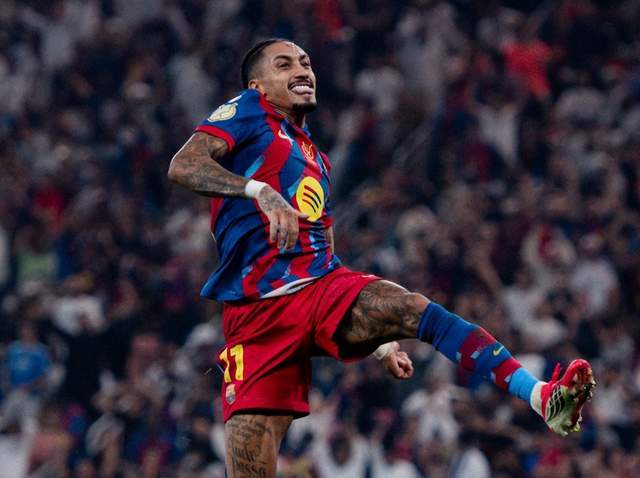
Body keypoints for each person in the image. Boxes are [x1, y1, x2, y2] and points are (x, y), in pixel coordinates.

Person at [168, 38, 596, 477]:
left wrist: (380, 343)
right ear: (257, 85)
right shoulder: (249, 110)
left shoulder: (316, 158)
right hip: (256, 316)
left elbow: (325, 245)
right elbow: (183, 165)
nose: (302, 70)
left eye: (305, 62)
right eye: (284, 64)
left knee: (411, 307)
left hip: (319, 289)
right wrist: (259, 191)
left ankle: (542, 396)